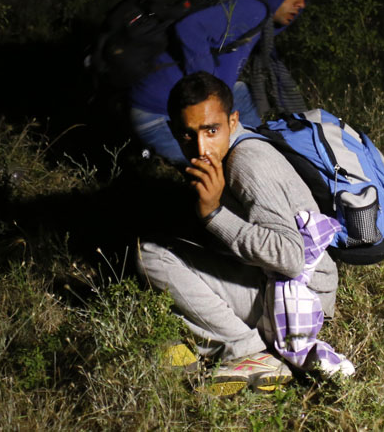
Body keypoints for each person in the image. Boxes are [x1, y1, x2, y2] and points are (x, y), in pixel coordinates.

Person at [135, 72, 352, 397]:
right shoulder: (225, 153)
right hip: (279, 284)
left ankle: (249, 352)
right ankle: (212, 338)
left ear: (233, 120)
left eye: (211, 130)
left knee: (150, 253)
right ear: (173, 132)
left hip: (298, 296)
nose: (201, 147)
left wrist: (214, 215)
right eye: (187, 134)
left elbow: (291, 259)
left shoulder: (247, 164)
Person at [129, 0, 311, 164]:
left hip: (160, 106)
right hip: (158, 114)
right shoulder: (253, 8)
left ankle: (265, 153)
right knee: (217, 179)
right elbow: (189, 27)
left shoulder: (255, 13)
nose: (302, 3)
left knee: (255, 145)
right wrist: (209, 91)